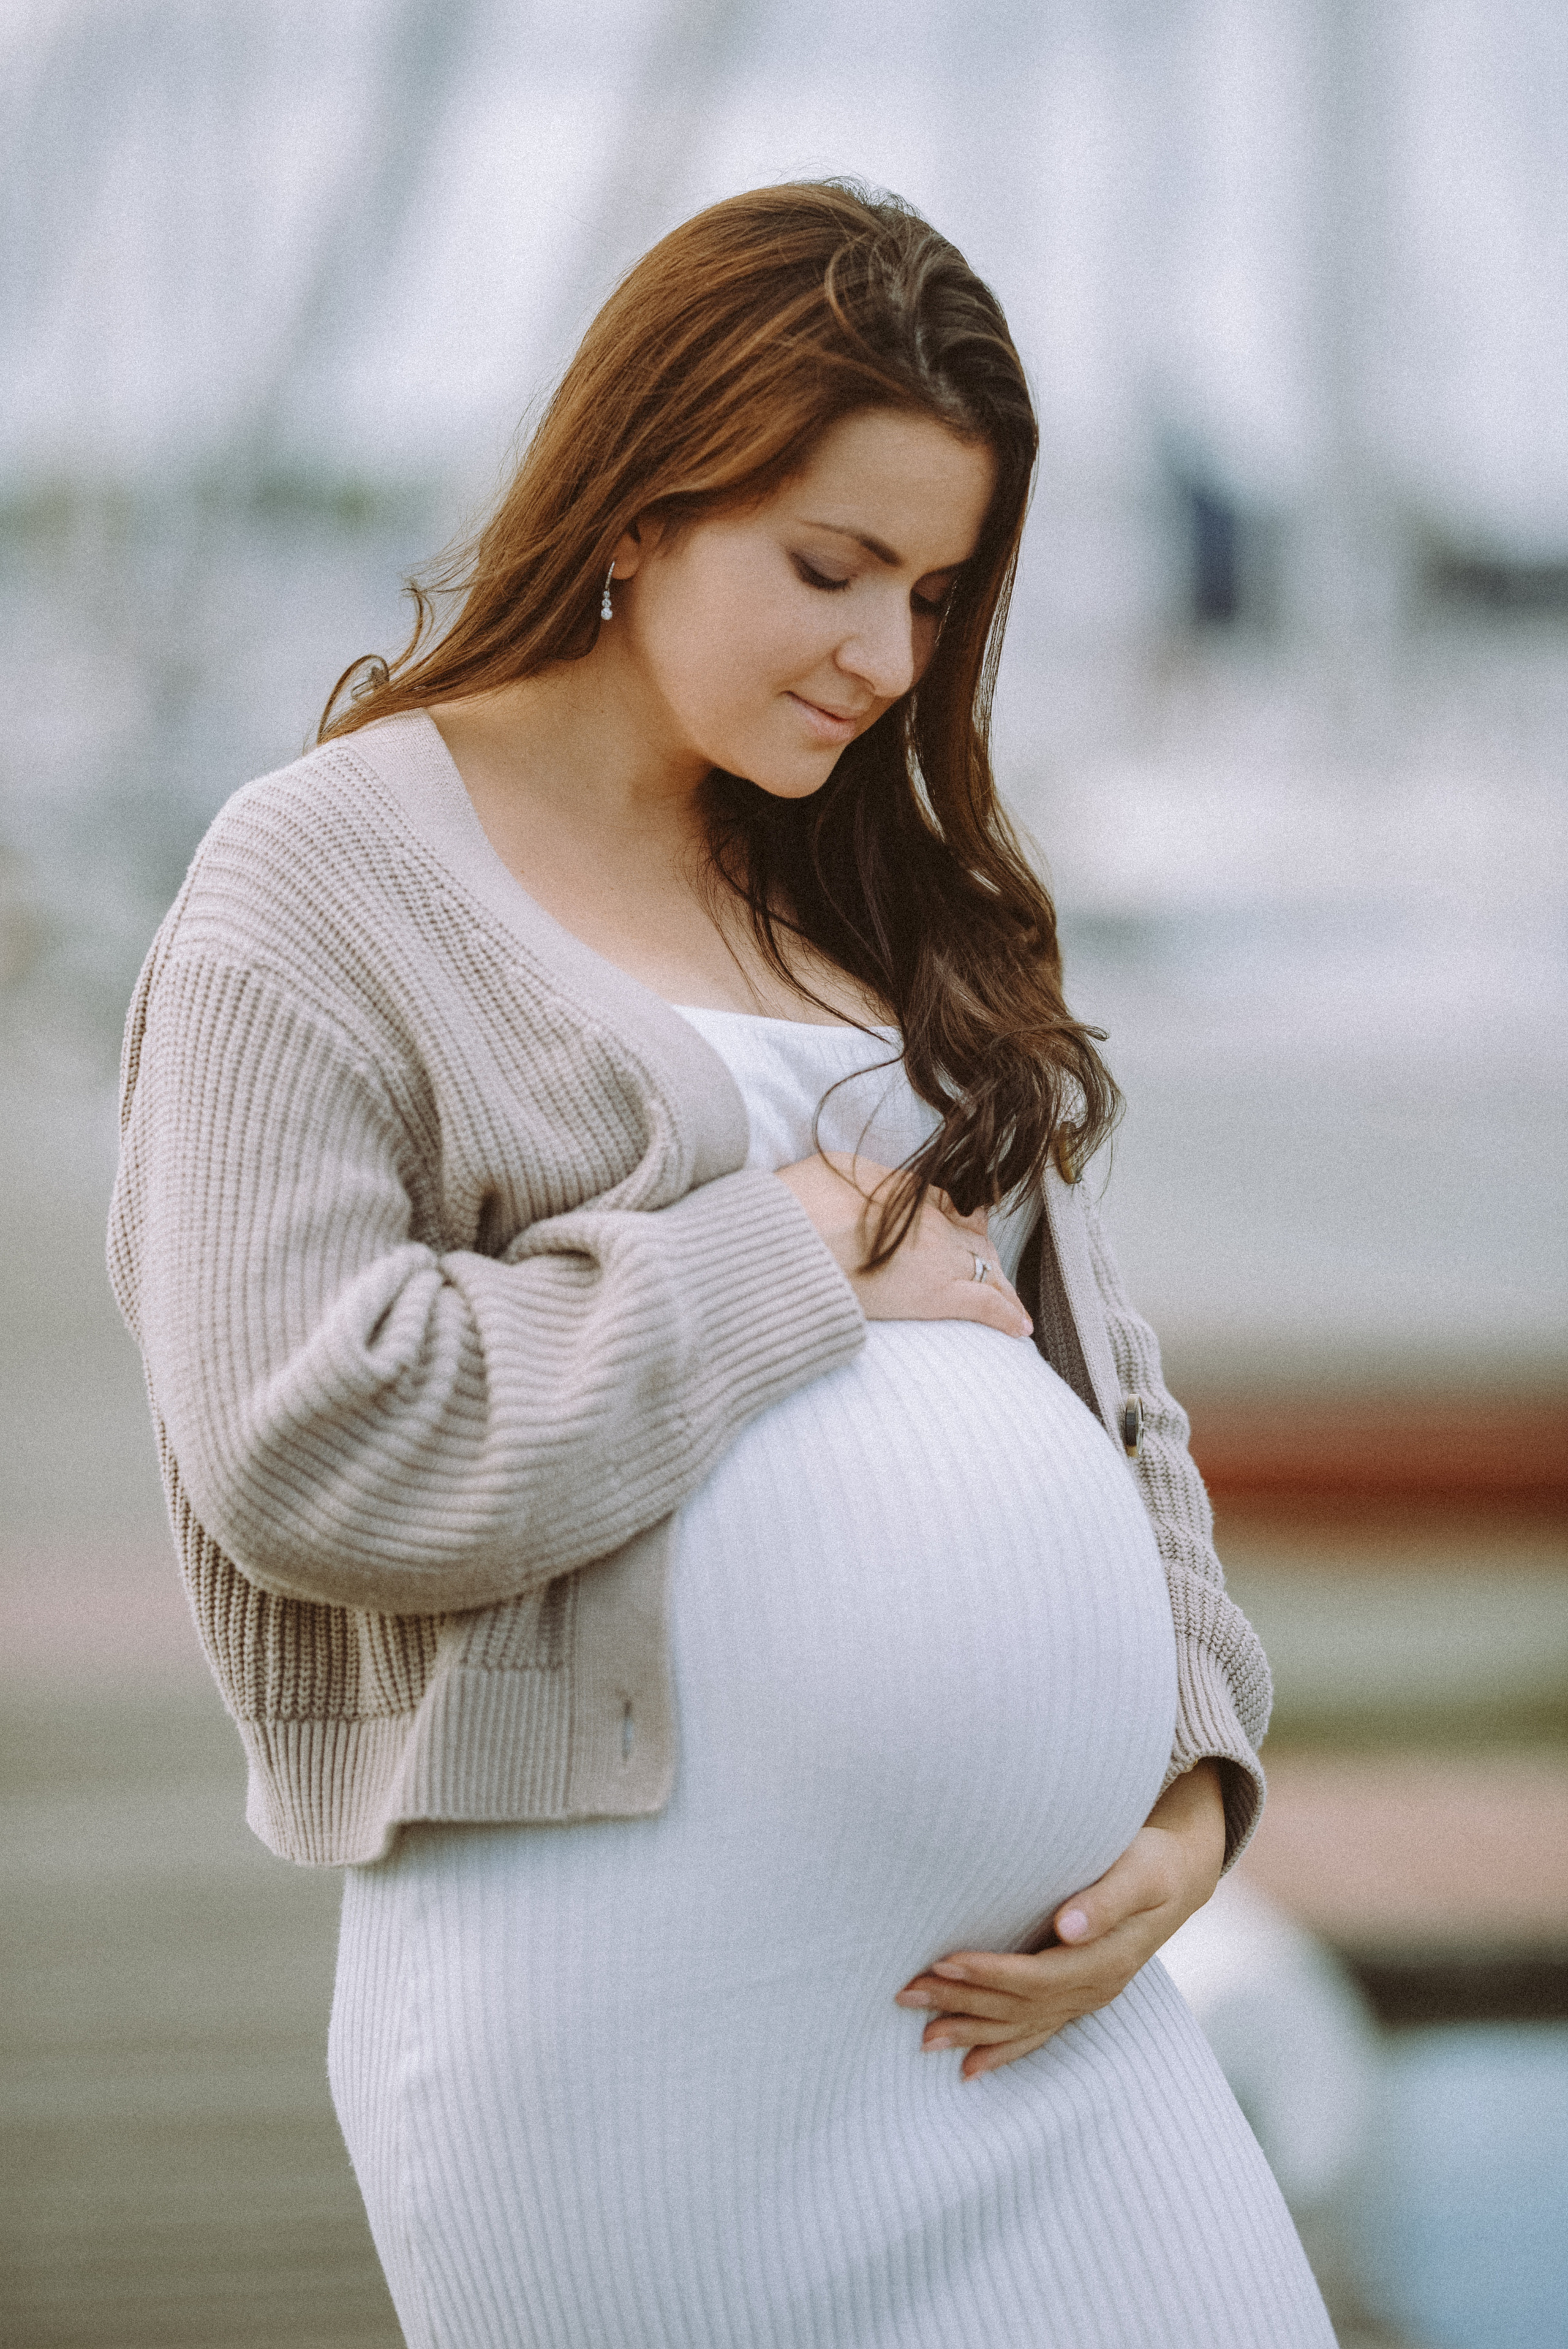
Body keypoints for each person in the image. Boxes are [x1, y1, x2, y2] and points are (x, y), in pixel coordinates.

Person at [109, 181, 1333, 2347]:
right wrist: (771, 1264)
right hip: (628, 2032)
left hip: (1048, 2036)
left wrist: (1196, 1778)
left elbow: (1101, 1384)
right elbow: (297, 1435)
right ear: (636, 506)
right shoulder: (317, 887)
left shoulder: (876, 893)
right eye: (829, 568)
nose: (888, 658)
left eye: (940, 593)